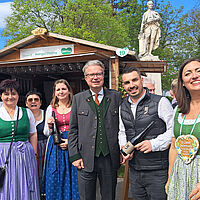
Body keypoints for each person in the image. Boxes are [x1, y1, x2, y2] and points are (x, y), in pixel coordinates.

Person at [68, 60, 122, 200]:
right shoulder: (78, 99)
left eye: (98, 73)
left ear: (104, 75)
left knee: (109, 196)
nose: (95, 77)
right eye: (91, 74)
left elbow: (123, 126)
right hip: (85, 158)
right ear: (85, 78)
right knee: (86, 196)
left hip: (109, 157)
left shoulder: (116, 97)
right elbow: (73, 129)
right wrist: (75, 156)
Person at [119, 66, 173, 200]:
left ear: (141, 80)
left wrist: (153, 144)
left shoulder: (161, 102)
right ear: (123, 85)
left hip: (158, 170)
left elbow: (173, 131)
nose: (131, 85)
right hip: (135, 170)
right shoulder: (122, 106)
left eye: (134, 80)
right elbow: (122, 131)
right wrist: (124, 148)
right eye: (127, 82)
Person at [165, 58, 200, 200]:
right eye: (188, 73)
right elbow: (174, 147)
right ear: (183, 82)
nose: (194, 76)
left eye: (199, 71)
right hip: (180, 173)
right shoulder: (179, 110)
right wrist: (170, 178)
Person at [0, 79, 40, 199]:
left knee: (25, 183)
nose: (10, 97)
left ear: (18, 95)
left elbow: (33, 134)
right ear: (1, 96)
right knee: (6, 184)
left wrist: (33, 153)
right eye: (6, 94)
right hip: (3, 155)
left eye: (13, 93)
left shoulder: (27, 112)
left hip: (25, 155)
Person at [41, 79, 79, 200]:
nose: (61, 92)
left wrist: (71, 142)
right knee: (55, 174)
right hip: (55, 145)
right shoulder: (51, 108)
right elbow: (46, 133)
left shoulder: (75, 106)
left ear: (69, 91)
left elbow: (81, 127)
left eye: (63, 89)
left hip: (72, 142)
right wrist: (50, 126)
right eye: (58, 89)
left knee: (73, 174)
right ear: (54, 92)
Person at [25, 91, 47, 187]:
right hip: (27, 147)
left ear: (40, 102)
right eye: (30, 100)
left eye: (36, 99)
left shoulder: (47, 114)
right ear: (26, 103)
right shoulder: (23, 115)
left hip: (44, 147)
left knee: (44, 171)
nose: (33, 102)